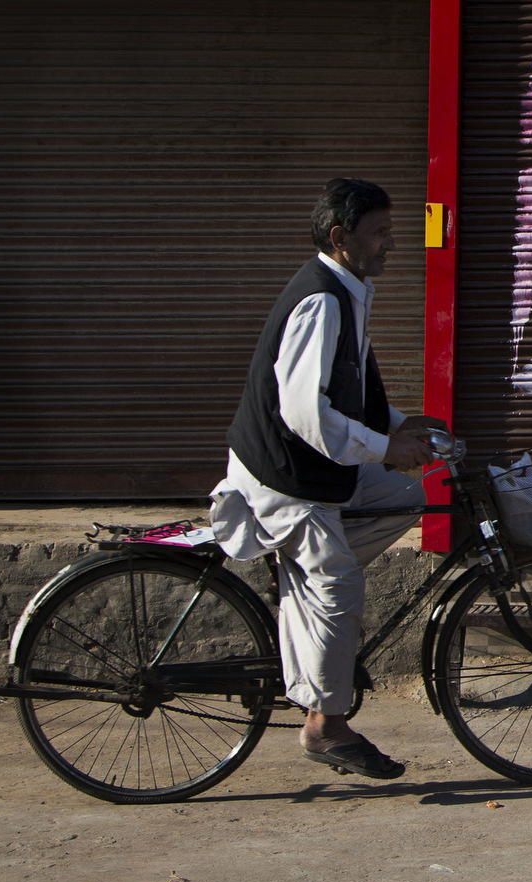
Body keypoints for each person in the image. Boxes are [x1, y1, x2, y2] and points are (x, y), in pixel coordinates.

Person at [209, 178, 444, 780]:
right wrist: (385, 447)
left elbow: (351, 395)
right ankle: (325, 727)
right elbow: (304, 412)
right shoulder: (321, 300)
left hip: (320, 470)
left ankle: (314, 626)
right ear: (342, 238)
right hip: (286, 478)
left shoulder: (349, 290)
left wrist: (398, 425)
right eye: (380, 233)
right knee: (338, 586)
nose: (392, 244)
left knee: (418, 495)